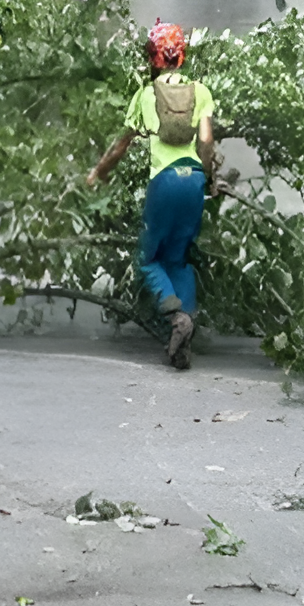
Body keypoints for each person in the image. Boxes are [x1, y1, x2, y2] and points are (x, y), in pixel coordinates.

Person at [85, 21, 216, 370]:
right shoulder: (200, 92)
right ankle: (183, 340)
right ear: (181, 55)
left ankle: (177, 320)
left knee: (147, 257)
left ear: (153, 58)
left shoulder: (145, 95)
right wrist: (209, 179)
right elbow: (206, 141)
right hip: (192, 182)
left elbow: (121, 145)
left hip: (164, 183)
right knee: (178, 258)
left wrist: (98, 172)